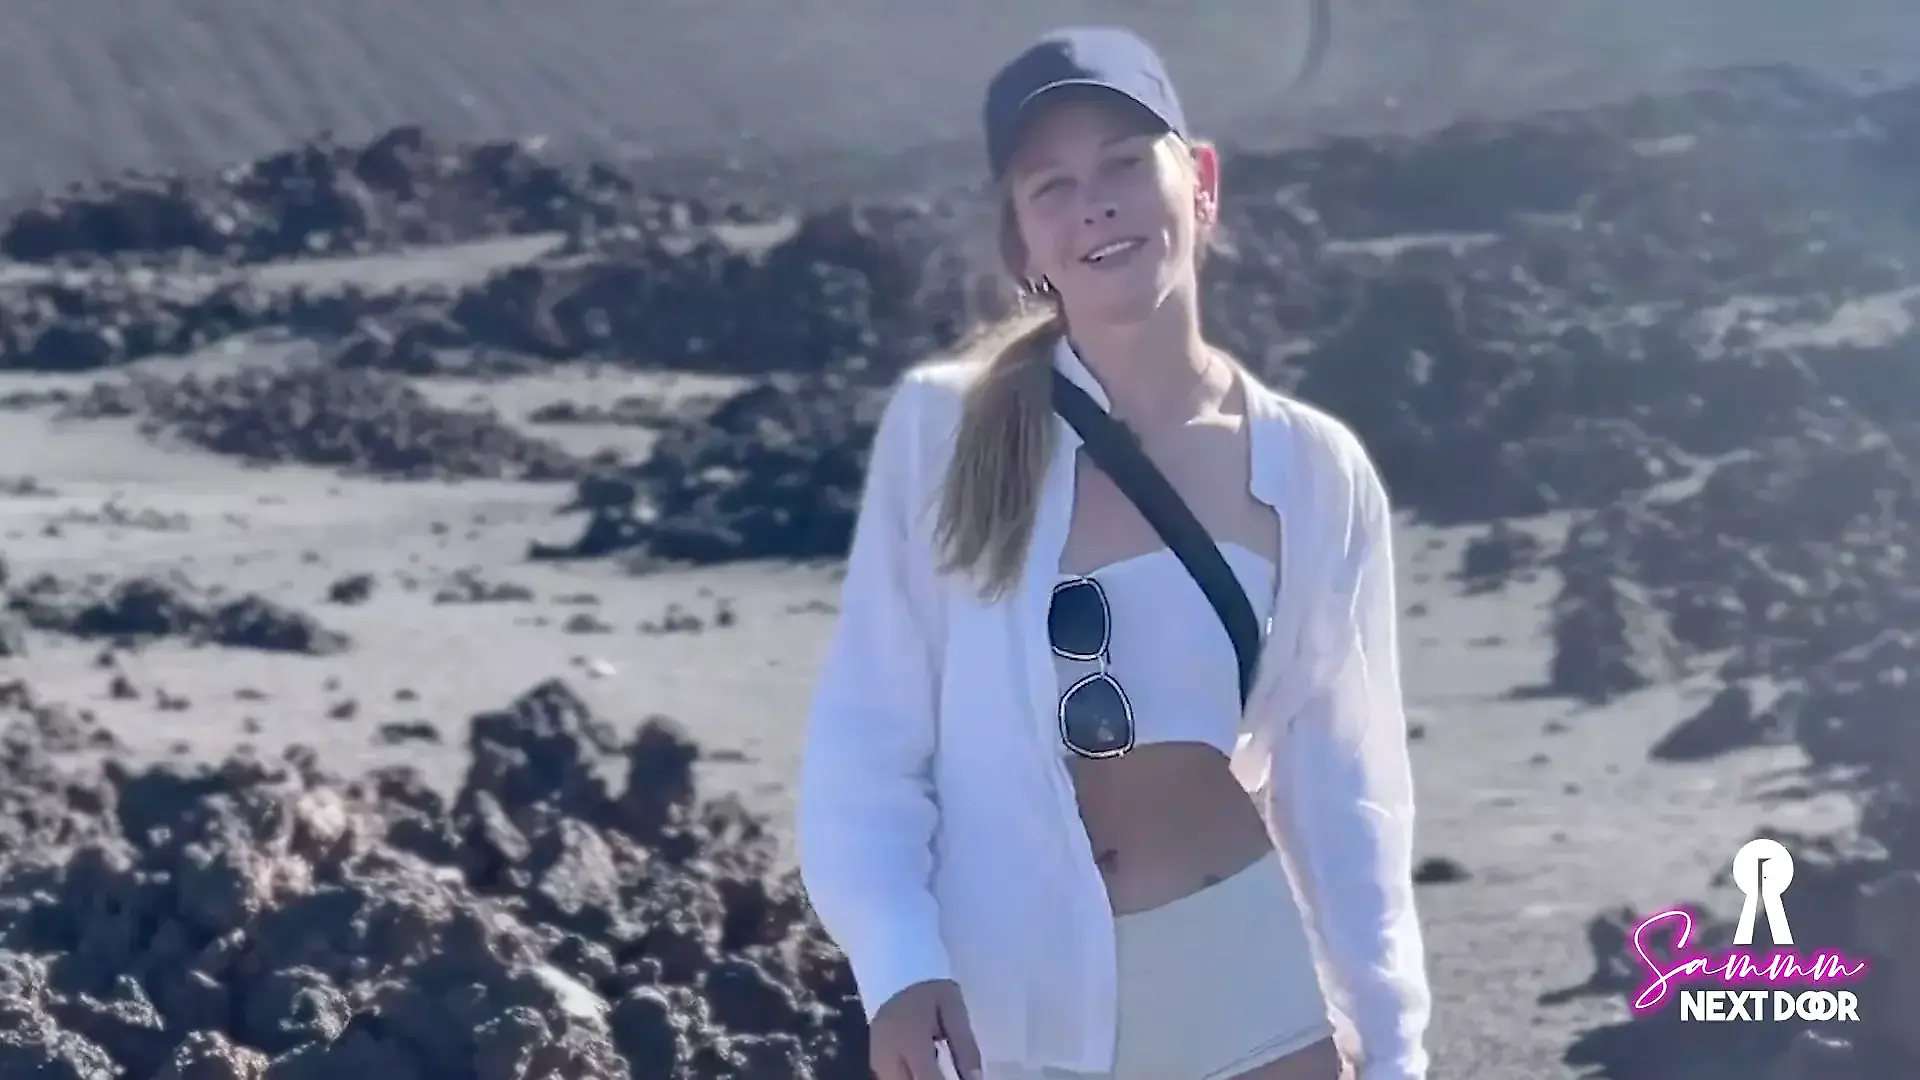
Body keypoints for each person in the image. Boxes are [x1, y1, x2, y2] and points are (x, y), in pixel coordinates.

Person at [797, 25, 1430, 1080]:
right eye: (1051, 186)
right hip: (1017, 998)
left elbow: (1346, 788)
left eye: (1126, 164)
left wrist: (1394, 1043)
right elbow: (869, 731)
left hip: (1247, 980)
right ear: (1021, 242)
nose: (1094, 204)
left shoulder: (1316, 468)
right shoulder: (943, 430)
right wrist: (897, 963)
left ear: (1202, 182)